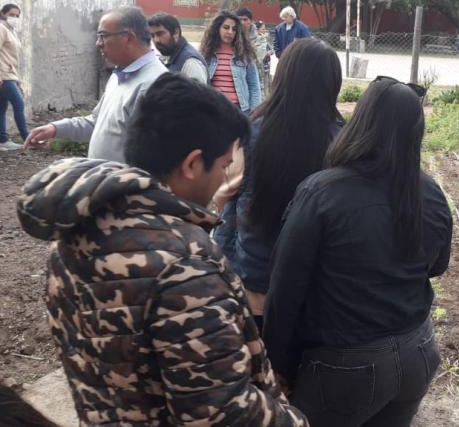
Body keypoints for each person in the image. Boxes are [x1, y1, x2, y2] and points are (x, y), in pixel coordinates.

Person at [16, 73, 307, 426]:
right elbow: (223, 414)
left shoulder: (74, 233)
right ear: (192, 164)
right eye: (224, 166)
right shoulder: (184, 268)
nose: (224, 179)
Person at [264, 77, 452, 426]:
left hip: (346, 367)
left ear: (361, 122)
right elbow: (437, 266)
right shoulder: (430, 192)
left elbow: (285, 290)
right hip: (418, 351)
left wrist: (277, 365)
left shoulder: (322, 192)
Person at [212, 38, 345, 329]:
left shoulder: (251, 129)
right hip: (313, 284)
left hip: (252, 281)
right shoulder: (341, 141)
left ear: (281, 76)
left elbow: (222, 195)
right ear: (332, 84)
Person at [23, 7, 167, 162]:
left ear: (129, 38)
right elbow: (97, 123)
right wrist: (55, 129)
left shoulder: (154, 85)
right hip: (106, 182)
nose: (98, 44)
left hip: (124, 185)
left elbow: (154, 158)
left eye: (103, 36)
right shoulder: (120, 75)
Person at [201, 10, 262, 113]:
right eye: (226, 27)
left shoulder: (245, 53)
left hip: (239, 110)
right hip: (213, 108)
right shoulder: (207, 52)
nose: (230, 32)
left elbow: (254, 86)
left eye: (234, 29)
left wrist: (254, 114)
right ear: (217, 28)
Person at [147, 12, 207, 83]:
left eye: (160, 34)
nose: (156, 40)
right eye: (152, 35)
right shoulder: (170, 56)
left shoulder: (190, 62)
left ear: (176, 33)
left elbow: (198, 93)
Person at [0, 3, 28, 150]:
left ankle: (2, 140)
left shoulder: (11, 30)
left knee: (2, 108)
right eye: (11, 15)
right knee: (19, 104)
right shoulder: (1, 28)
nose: (15, 18)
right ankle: (28, 138)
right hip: (4, 75)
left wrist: (16, 78)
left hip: (10, 75)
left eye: (17, 16)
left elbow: (11, 57)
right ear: (2, 13)